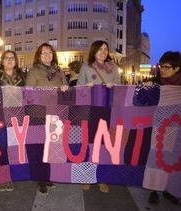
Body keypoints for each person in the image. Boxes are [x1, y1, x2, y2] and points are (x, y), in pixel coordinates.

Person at [145, 51, 181, 205]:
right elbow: (141, 98)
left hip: (178, 129)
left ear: (177, 68)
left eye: (167, 67)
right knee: (156, 160)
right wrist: (146, 88)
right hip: (158, 128)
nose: (162, 70)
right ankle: (154, 189)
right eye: (161, 66)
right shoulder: (155, 83)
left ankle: (170, 190)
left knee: (172, 160)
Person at [77, 40, 122, 193]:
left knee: (104, 146)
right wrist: (86, 87)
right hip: (91, 112)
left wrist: (113, 87)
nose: (103, 52)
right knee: (89, 144)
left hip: (107, 111)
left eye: (105, 49)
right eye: (100, 49)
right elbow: (78, 90)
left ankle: (101, 177)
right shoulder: (86, 67)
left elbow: (120, 91)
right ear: (94, 51)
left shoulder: (114, 68)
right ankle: (87, 177)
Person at [25, 43, 68, 195]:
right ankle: (40, 179)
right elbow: (28, 94)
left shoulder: (59, 71)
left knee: (51, 147)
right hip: (37, 115)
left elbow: (66, 89)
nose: (47, 55)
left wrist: (64, 87)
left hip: (55, 115)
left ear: (53, 55)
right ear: (39, 55)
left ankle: (48, 176)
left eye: (49, 52)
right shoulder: (34, 71)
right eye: (43, 53)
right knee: (38, 147)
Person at [0, 50, 26, 192]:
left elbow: (28, 95)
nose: (9, 60)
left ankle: (9, 176)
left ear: (15, 61)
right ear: (2, 61)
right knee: (0, 147)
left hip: (17, 116)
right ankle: (0, 177)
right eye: (6, 58)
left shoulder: (22, 76)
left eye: (12, 58)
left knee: (12, 147)